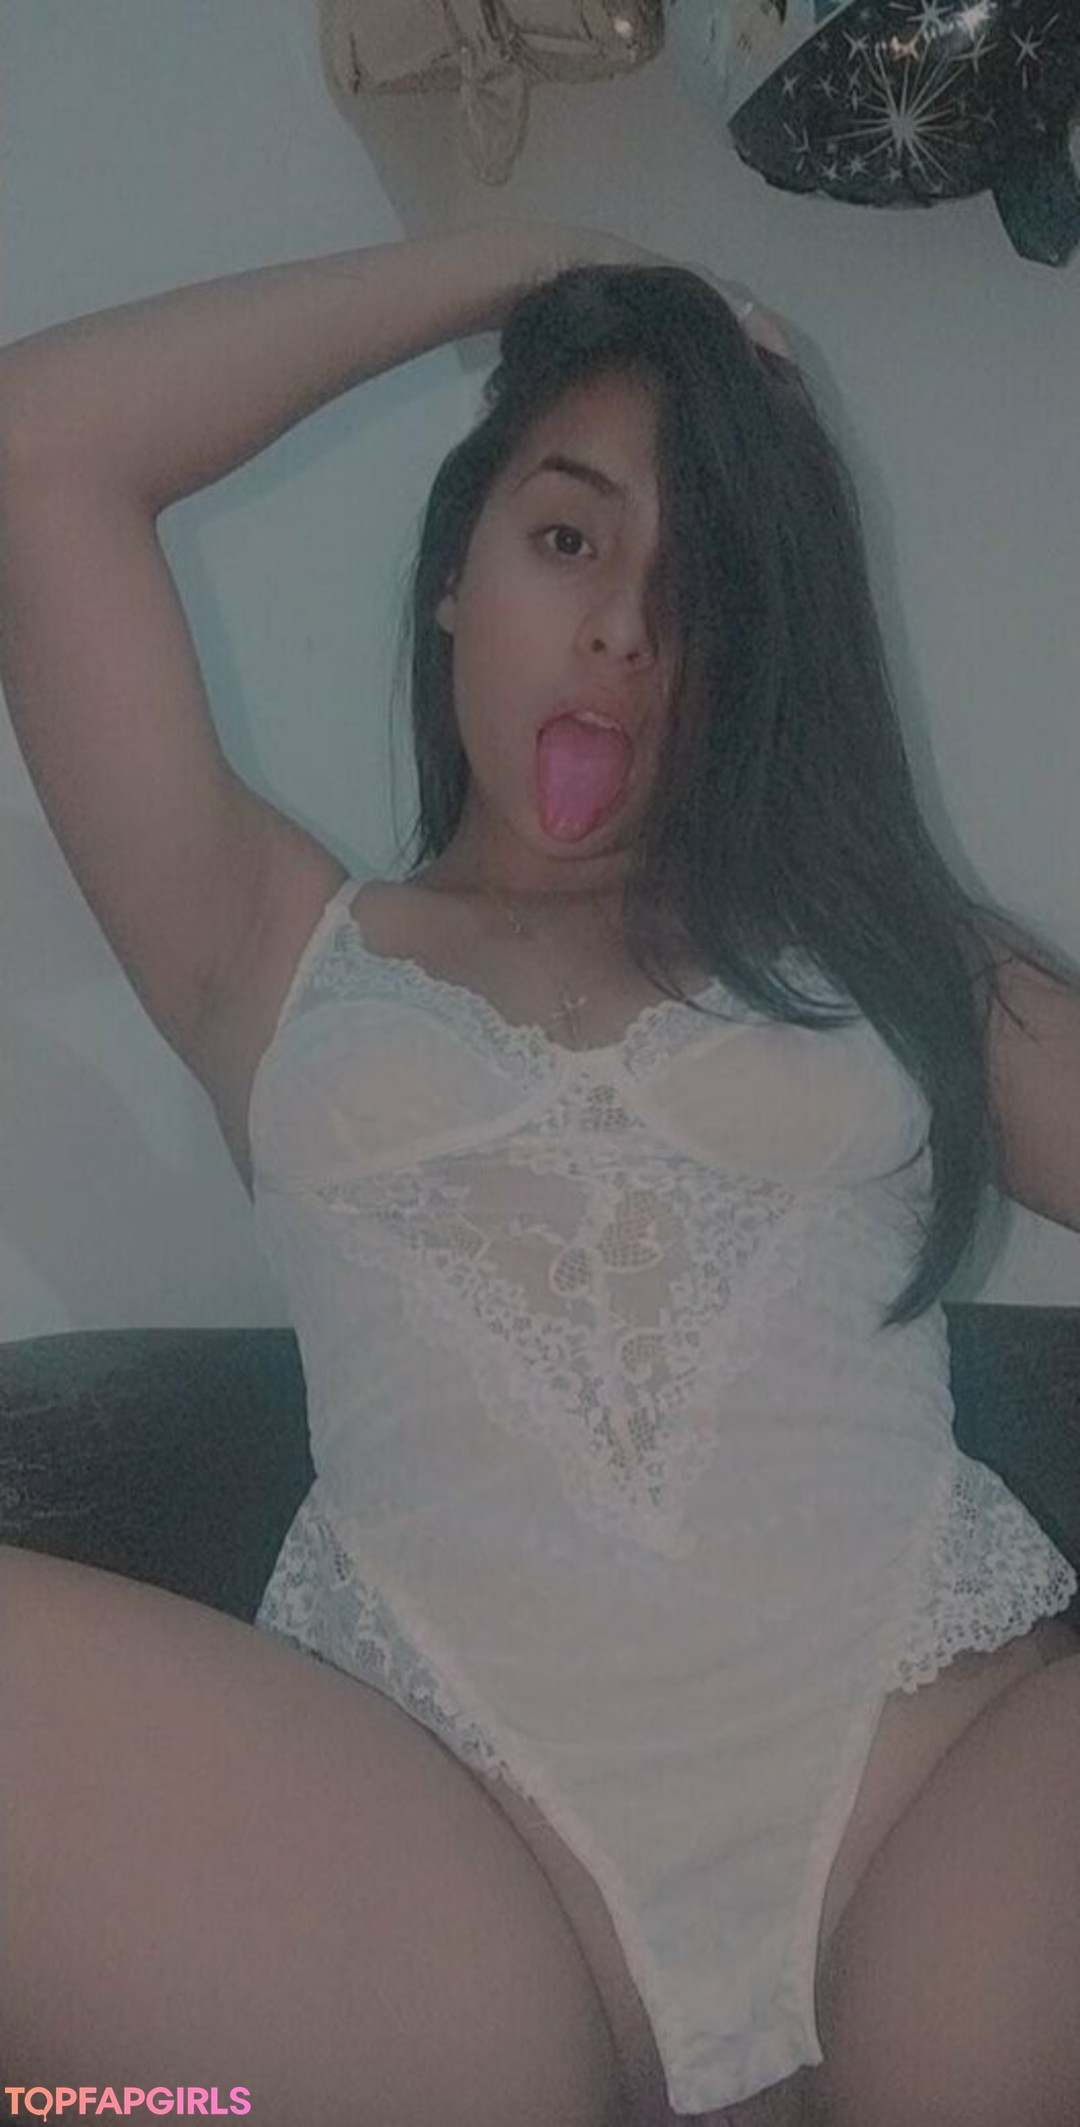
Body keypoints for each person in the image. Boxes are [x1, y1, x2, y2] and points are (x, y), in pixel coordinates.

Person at [1, 223, 1079, 2127]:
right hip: (463, 1894)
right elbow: (37, 446)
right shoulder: (268, 948)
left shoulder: (902, 955)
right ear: (453, 577)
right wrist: (537, 266)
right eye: (568, 535)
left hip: (940, 1818)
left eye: (701, 587)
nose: (622, 634)